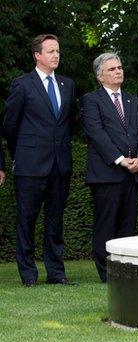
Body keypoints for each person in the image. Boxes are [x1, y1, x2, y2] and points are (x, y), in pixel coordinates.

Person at [2, 34, 76, 286]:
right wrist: (22, 152)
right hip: (30, 165)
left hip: (60, 164)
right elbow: (10, 125)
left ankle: (56, 273)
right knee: (27, 220)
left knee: (55, 222)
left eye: (58, 50)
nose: (56, 55)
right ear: (38, 55)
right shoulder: (22, 84)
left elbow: (68, 124)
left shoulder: (67, 84)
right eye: (51, 51)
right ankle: (28, 275)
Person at [80, 52, 138, 282]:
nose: (118, 71)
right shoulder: (91, 100)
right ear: (100, 76)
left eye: (119, 67)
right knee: (105, 225)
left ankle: (125, 272)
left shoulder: (134, 100)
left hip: (134, 173)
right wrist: (120, 159)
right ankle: (106, 273)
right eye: (112, 69)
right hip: (107, 174)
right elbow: (96, 134)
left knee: (127, 226)